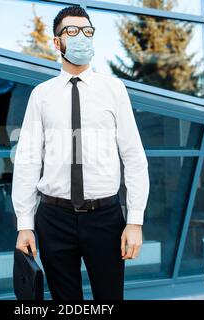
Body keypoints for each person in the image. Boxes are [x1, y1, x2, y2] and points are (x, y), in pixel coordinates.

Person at [12, 6, 149, 300]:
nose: (81, 37)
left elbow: (134, 158)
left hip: (105, 218)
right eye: (71, 31)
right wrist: (25, 225)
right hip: (53, 218)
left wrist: (134, 221)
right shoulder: (41, 95)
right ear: (56, 42)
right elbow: (27, 162)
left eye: (87, 31)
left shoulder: (114, 89)